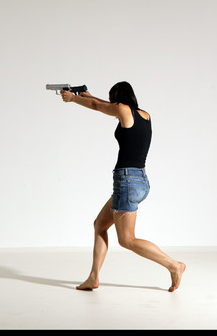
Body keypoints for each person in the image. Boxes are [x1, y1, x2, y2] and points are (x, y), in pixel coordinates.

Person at [60, 81, 186, 292]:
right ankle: (93, 277)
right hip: (139, 181)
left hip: (127, 181)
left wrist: (73, 99)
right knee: (100, 224)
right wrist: (86, 95)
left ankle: (174, 265)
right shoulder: (144, 115)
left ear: (118, 98)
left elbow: (97, 107)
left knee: (127, 240)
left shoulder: (122, 110)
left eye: (112, 98)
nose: (111, 102)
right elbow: (99, 103)